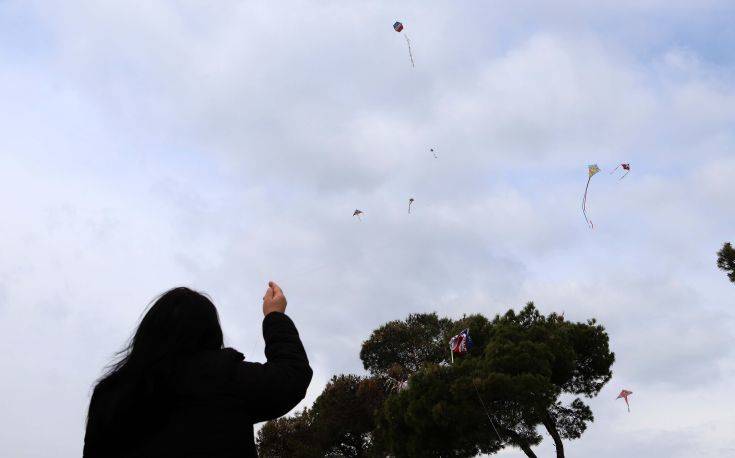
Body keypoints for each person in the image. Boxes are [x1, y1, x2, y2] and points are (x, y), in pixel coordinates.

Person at [83, 281, 312, 457]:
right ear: (211, 334)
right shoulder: (223, 377)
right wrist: (274, 316)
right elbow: (292, 376)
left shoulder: (109, 394)